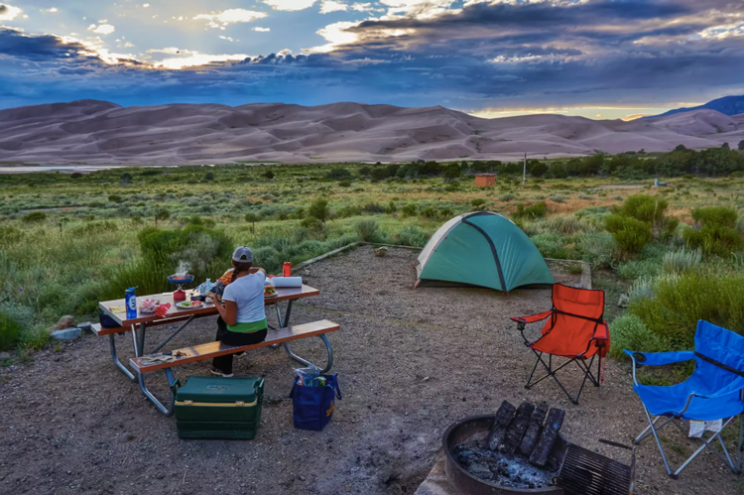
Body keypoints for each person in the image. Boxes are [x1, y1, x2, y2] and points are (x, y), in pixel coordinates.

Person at [211, 246, 268, 377]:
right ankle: (238, 352)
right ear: (251, 264)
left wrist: (217, 304)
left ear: (232, 263)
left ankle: (224, 369)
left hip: (240, 337)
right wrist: (247, 268)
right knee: (224, 323)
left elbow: (231, 321)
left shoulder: (231, 289)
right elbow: (262, 269)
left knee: (222, 324)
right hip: (261, 332)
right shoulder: (259, 278)